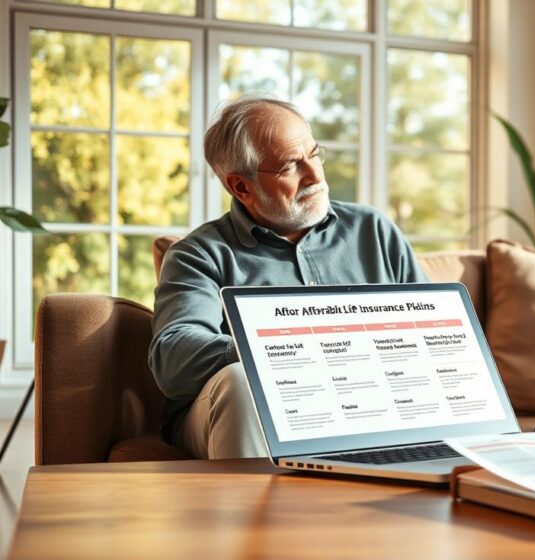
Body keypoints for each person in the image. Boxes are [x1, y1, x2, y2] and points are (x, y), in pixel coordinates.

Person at [149, 95, 428, 460]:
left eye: (314, 154)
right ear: (241, 187)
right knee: (241, 382)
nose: (314, 176)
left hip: (362, 404)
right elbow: (173, 358)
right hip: (251, 410)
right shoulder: (198, 254)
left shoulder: (374, 231)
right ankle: (253, 517)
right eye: (290, 167)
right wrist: (287, 349)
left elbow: (435, 330)